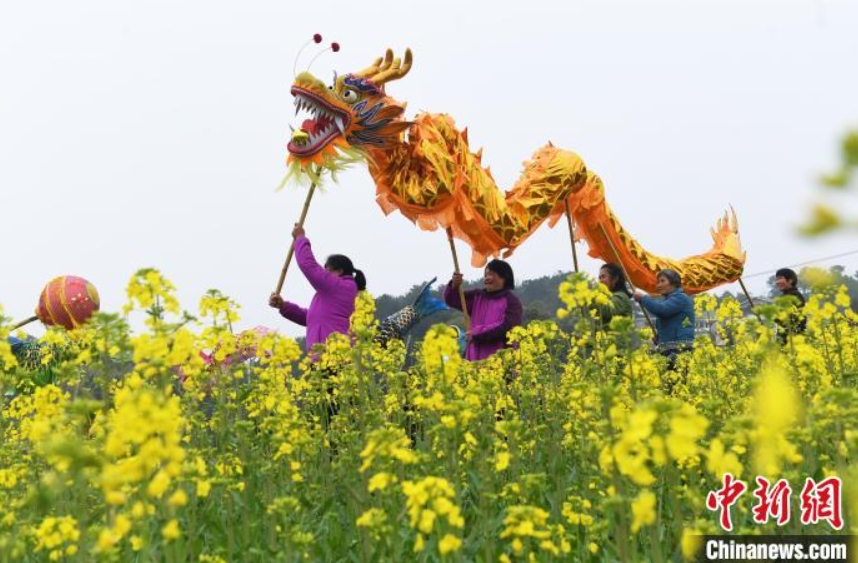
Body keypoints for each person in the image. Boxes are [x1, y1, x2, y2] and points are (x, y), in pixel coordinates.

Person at [268, 225, 366, 353]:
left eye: (328, 268)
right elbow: (311, 318)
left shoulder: (339, 286)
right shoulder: (335, 291)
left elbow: (308, 266)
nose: (324, 272)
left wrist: (300, 238)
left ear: (340, 271)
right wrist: (283, 306)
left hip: (333, 355)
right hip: (326, 356)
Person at [444, 259, 523, 361]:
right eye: (486, 275)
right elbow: (452, 300)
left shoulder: (512, 302)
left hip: (500, 362)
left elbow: (507, 327)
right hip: (474, 359)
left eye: (492, 274)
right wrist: (454, 285)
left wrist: (476, 334)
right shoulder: (477, 296)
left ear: (504, 278)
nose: (487, 278)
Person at [632, 268, 695, 366]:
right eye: (658, 282)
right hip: (670, 350)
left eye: (663, 281)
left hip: (679, 351)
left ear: (674, 283)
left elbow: (661, 310)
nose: (659, 285)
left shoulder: (681, 298)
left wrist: (643, 298)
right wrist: (660, 339)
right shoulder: (669, 300)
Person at [774, 267, 806, 344]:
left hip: (793, 340)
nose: (777, 282)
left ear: (790, 280)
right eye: (776, 279)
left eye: (780, 278)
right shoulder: (782, 297)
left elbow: (798, 319)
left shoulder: (795, 296)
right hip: (783, 339)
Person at [596, 263, 633, 327]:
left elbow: (607, 311)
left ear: (615, 279)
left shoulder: (621, 297)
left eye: (603, 276)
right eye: (599, 278)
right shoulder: (607, 297)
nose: (600, 281)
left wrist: (590, 296)